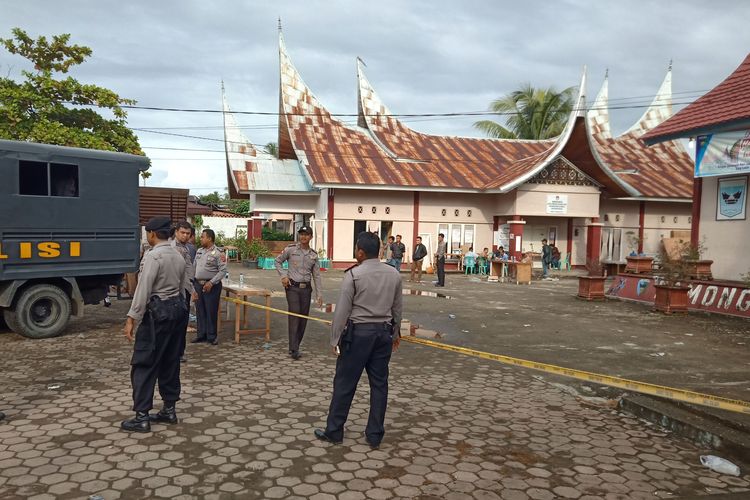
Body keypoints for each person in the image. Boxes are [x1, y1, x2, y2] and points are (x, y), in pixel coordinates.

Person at [314, 231, 402, 449]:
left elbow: (342, 311)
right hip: (383, 334)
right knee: (380, 385)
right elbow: (397, 308)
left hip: (358, 336)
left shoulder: (353, 275)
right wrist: (396, 333)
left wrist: (335, 340)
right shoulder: (394, 274)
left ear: (360, 252)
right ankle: (374, 435)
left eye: (356, 249)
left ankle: (334, 431)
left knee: (344, 383)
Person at [121, 216, 189, 433]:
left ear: (151, 234)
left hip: (157, 317)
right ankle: (169, 410)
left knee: (144, 364)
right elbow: (183, 287)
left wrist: (132, 318)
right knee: (170, 362)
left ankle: (141, 416)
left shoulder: (154, 257)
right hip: (177, 314)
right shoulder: (178, 256)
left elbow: (143, 290)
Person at [275, 225, 323, 360]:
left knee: (303, 318)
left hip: (306, 289)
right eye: (301, 234)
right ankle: (294, 348)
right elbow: (278, 261)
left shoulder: (313, 255)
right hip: (292, 288)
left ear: (311, 237)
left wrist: (319, 294)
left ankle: (295, 345)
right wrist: (283, 276)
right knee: (294, 314)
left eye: (306, 234)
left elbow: (317, 275)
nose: (303, 237)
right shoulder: (290, 250)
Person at [191, 229, 226, 346]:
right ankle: (201, 334)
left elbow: (223, 271)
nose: (200, 239)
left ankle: (212, 336)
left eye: (202, 237)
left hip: (212, 286)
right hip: (198, 284)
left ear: (209, 238)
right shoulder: (199, 251)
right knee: (200, 310)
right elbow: (194, 267)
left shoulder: (219, 253)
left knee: (211, 311)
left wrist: (211, 282)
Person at [172, 221, 195, 363]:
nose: (185, 236)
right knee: (174, 323)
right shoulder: (172, 248)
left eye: (187, 233)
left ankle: (180, 352)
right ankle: (173, 353)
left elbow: (189, 270)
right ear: (176, 232)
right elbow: (180, 274)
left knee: (182, 323)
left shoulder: (189, 248)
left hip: (186, 290)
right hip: (176, 291)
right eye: (182, 232)